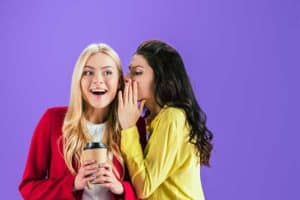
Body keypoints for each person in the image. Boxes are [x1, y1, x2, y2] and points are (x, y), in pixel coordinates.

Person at [19, 43, 136, 200]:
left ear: (120, 81)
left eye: (108, 72)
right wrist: (73, 184)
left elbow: (146, 191)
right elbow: (28, 188)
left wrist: (121, 189)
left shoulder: (133, 125)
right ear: (78, 80)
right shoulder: (52, 121)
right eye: (88, 72)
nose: (98, 81)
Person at [118, 40, 213, 199]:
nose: (127, 78)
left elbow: (145, 187)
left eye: (137, 72)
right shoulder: (155, 120)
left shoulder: (173, 117)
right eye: (129, 71)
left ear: (160, 77)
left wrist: (128, 129)